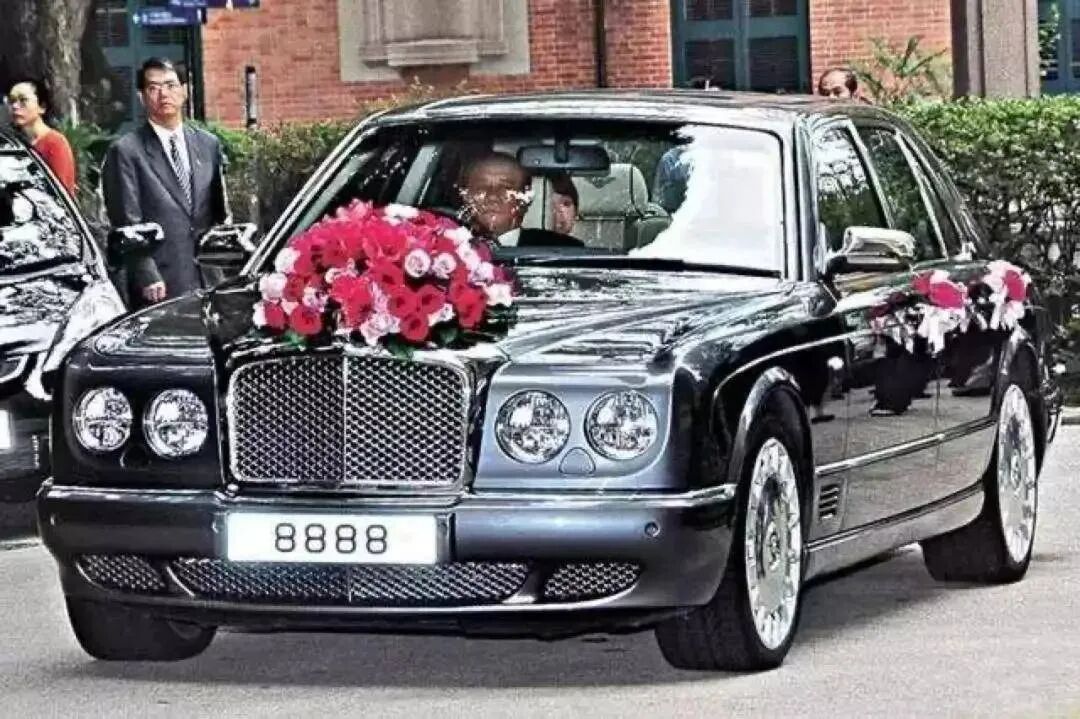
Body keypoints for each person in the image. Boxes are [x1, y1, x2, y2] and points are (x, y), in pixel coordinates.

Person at [102, 58, 229, 308]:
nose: (164, 94)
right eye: (153, 87)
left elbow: (218, 214)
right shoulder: (126, 151)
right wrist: (146, 274)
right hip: (160, 284)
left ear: (185, 91)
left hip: (208, 278)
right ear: (141, 97)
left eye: (171, 85)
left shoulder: (208, 144)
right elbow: (127, 221)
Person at [458, 151, 582, 248]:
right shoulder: (450, 247)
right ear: (465, 196)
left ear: (526, 199)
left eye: (505, 188)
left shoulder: (565, 249)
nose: (492, 196)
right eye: (481, 188)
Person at [6, 79, 77, 194]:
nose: (14, 106)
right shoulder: (12, 143)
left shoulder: (55, 143)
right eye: (12, 101)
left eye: (23, 100)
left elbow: (60, 192)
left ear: (42, 107)